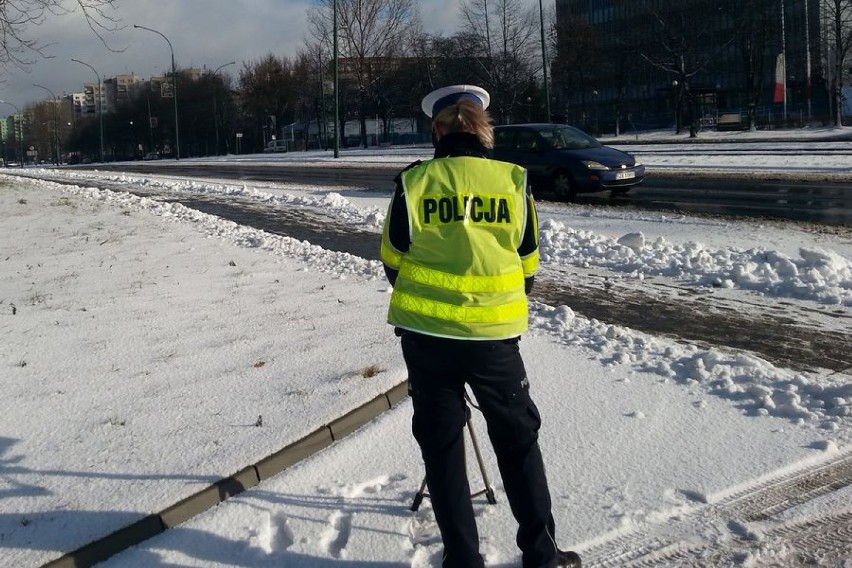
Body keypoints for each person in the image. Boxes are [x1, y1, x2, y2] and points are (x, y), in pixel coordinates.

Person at [380, 84, 581, 568]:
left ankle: (463, 560)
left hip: (427, 339)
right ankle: (541, 555)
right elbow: (528, 261)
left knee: (443, 445)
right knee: (517, 442)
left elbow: (392, 260)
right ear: (483, 131)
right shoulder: (513, 181)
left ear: (437, 131)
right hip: (495, 342)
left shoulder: (415, 183)